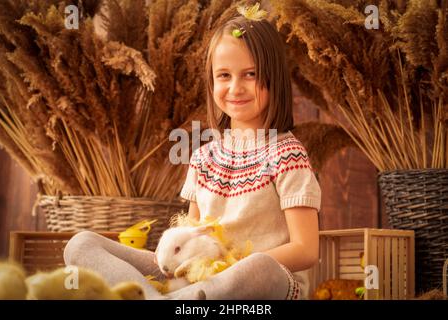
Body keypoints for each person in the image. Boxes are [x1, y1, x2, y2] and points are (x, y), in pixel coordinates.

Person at [64, 3, 321, 300]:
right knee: (81, 245)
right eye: (224, 75)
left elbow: (305, 250)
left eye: (250, 74)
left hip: (260, 283)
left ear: (273, 79)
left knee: (258, 266)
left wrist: (228, 268)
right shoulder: (203, 158)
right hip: (199, 279)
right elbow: (191, 234)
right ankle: (156, 299)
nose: (235, 87)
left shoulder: (287, 154)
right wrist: (178, 265)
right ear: (211, 81)